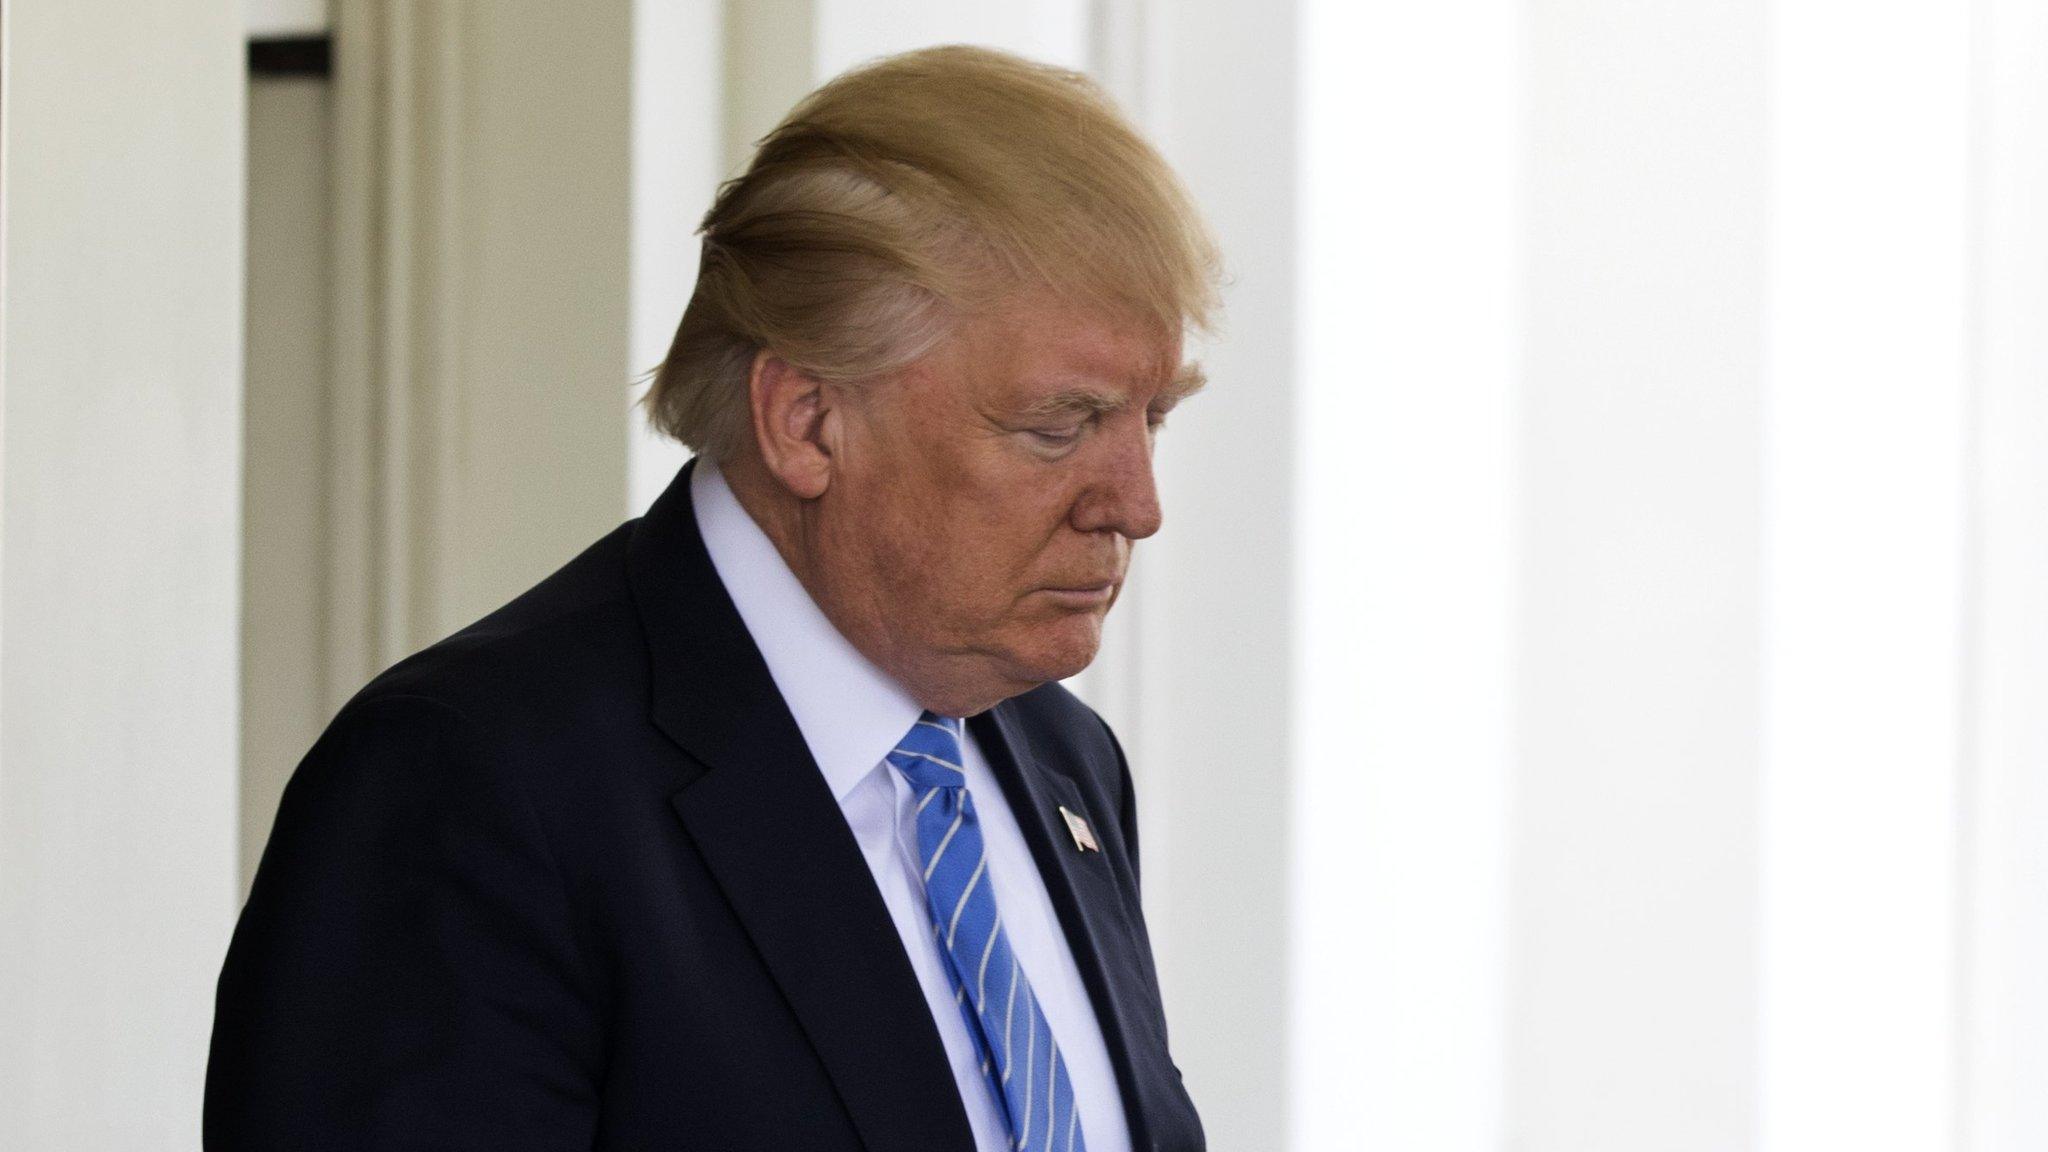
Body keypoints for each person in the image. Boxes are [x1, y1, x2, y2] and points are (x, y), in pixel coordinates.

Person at [204, 43, 1219, 1152]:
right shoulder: (469, 788)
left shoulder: (1062, 758)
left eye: (1151, 418)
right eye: (1058, 427)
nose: (1135, 503)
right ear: (805, 422)